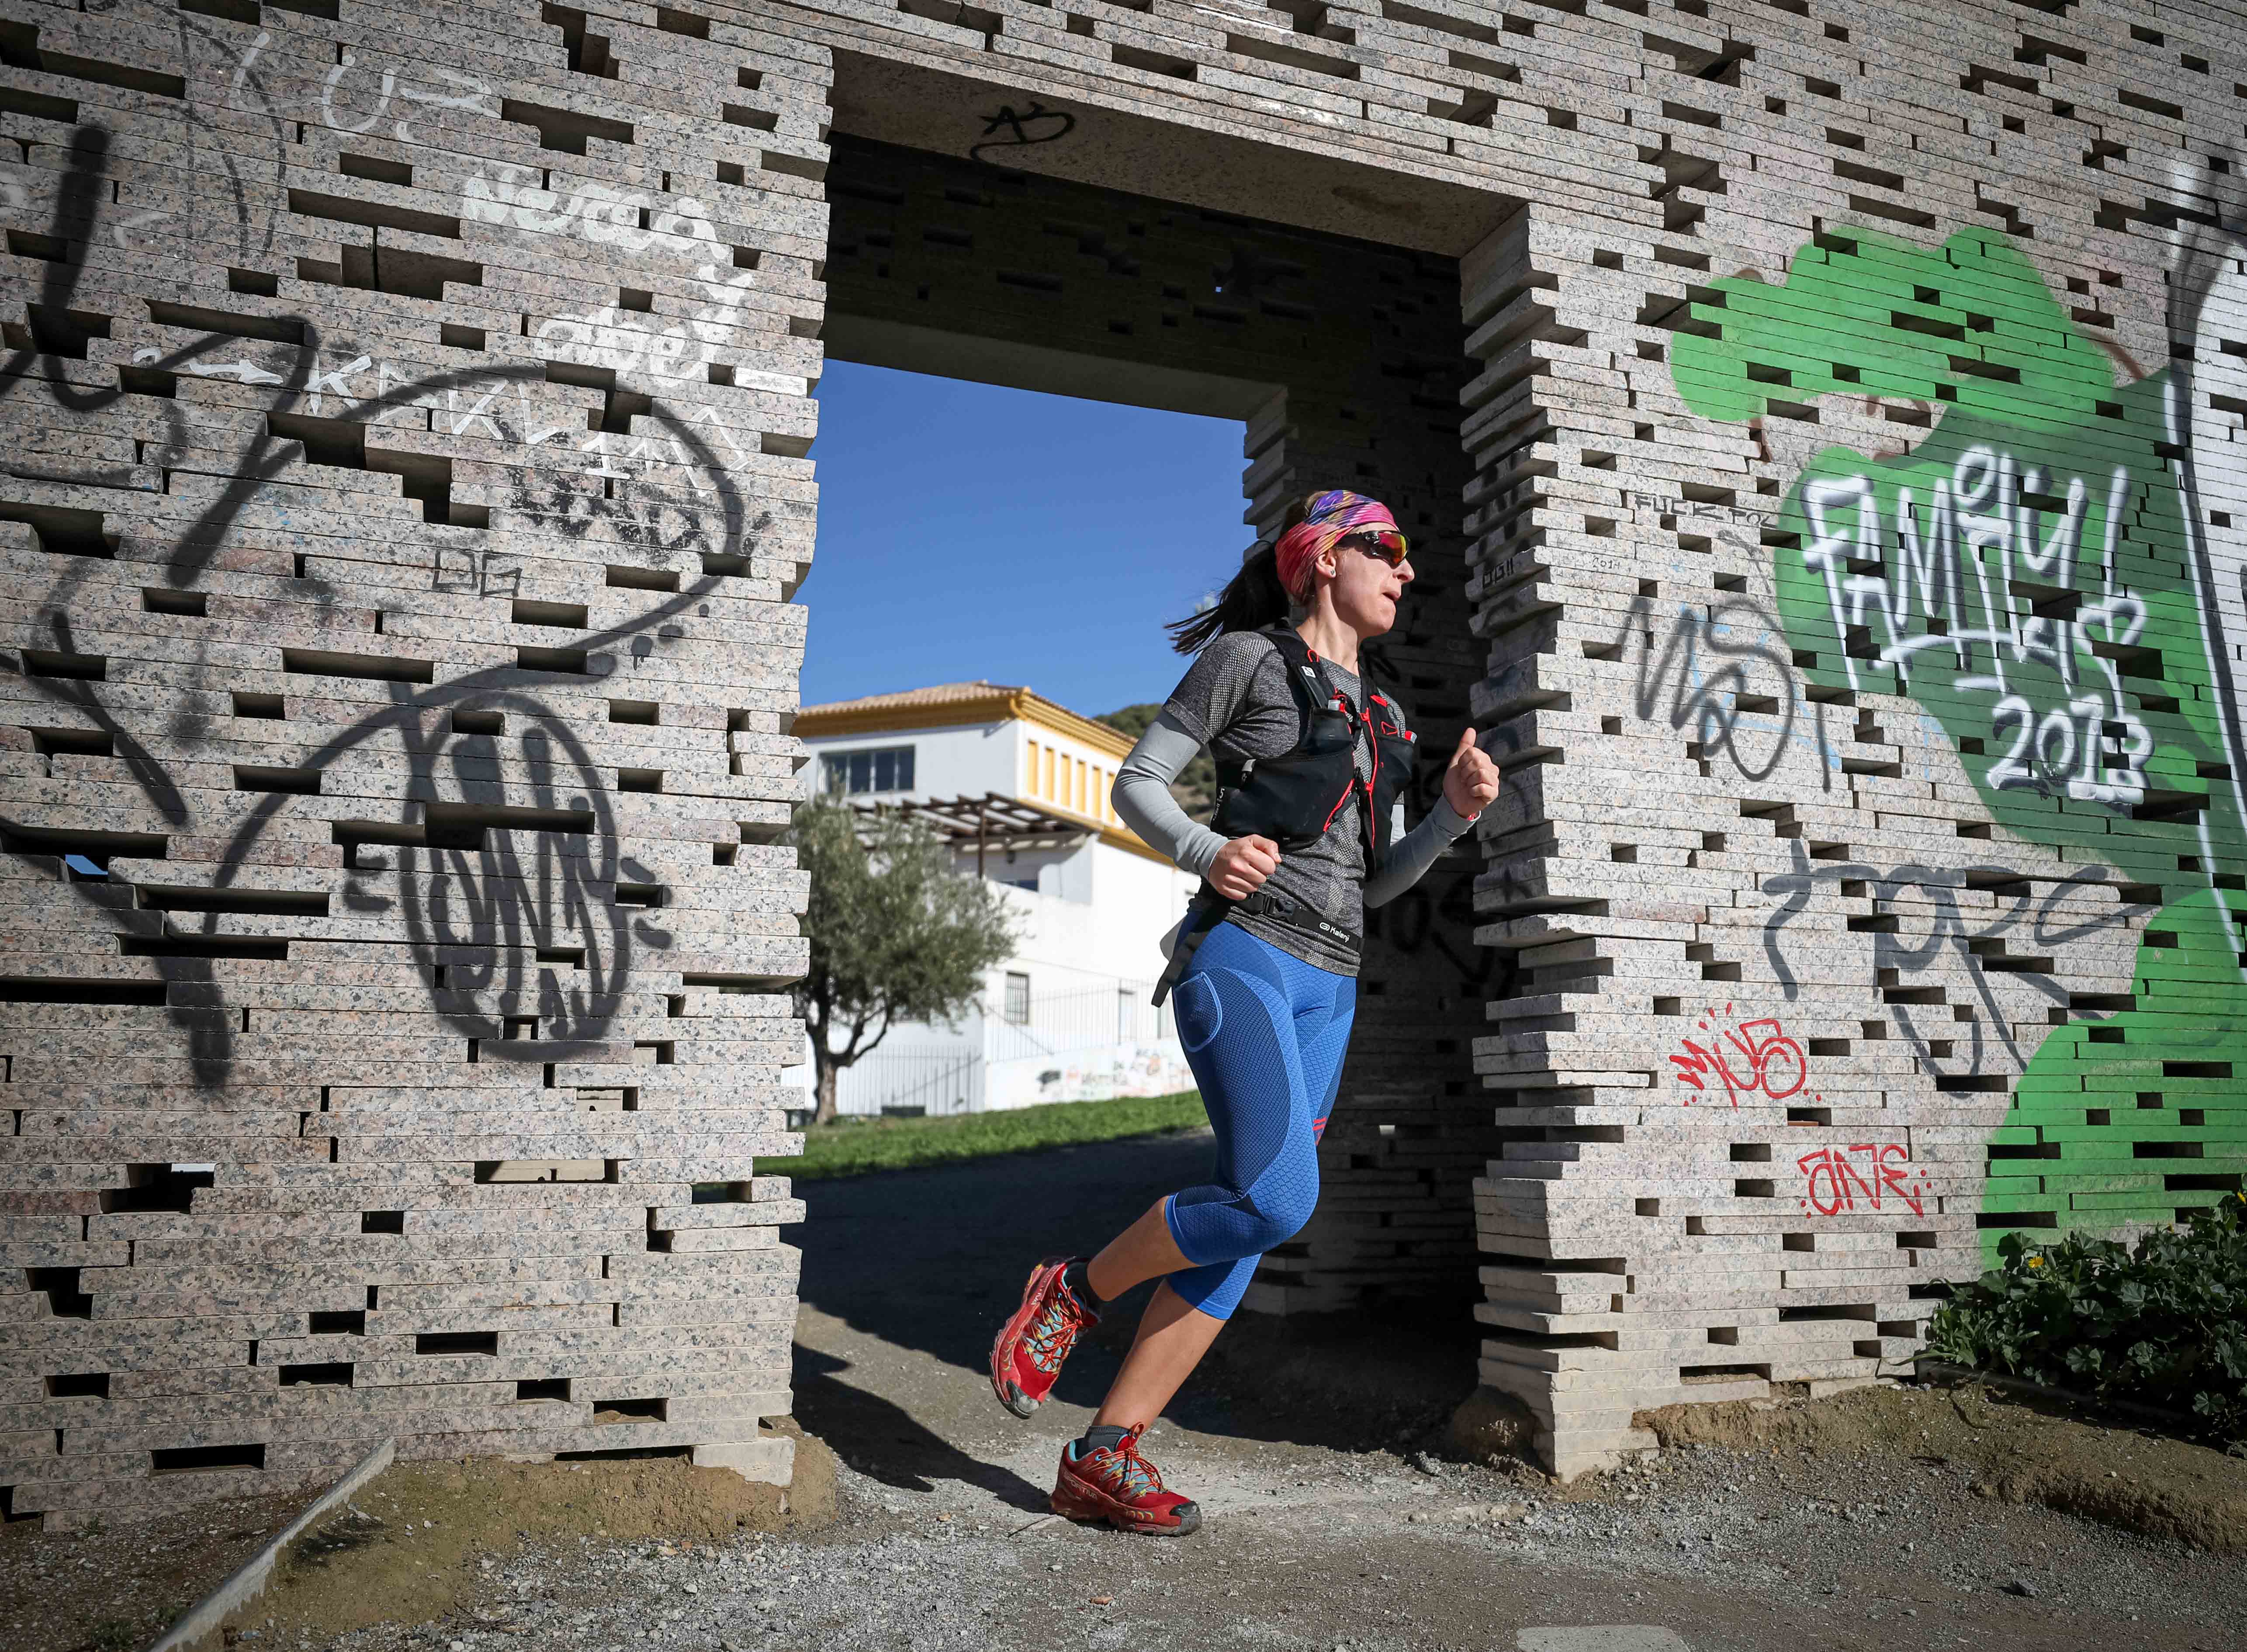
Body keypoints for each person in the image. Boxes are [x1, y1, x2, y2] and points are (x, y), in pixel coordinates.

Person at [987, 488, 1501, 1535]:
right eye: (1386, 550)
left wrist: (1450, 818)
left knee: (1249, 1222)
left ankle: (1102, 1456)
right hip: (1246, 956)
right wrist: (1205, 850)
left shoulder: (1388, 717)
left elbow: (1376, 880)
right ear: (1322, 559)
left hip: (1333, 983)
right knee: (1274, 1197)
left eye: (1407, 557)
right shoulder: (1250, 663)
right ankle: (1075, 1291)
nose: (1406, 572)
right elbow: (1139, 783)